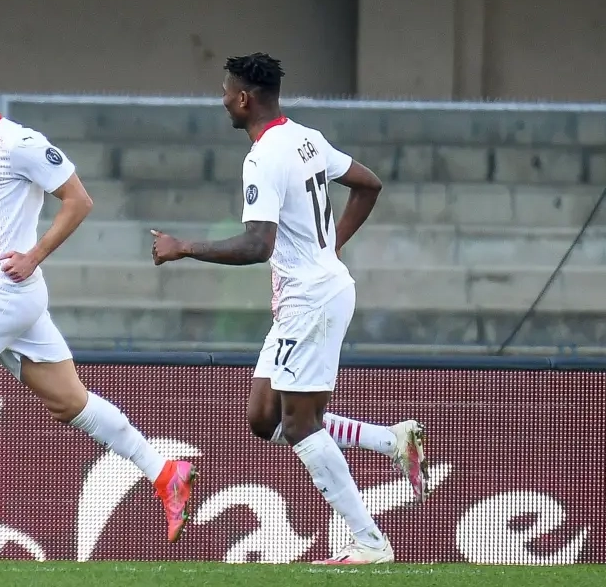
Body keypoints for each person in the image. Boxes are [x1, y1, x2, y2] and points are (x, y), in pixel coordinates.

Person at [0, 44, 197, 557]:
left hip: (5, 288)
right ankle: (165, 472)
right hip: (4, 296)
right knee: (70, 402)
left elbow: (79, 200)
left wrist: (34, 254)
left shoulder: (20, 144)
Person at [150, 52, 429, 565]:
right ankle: (390, 440)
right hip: (307, 296)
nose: (222, 101)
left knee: (301, 425)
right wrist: (330, 247)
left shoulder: (263, 157)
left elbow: (257, 244)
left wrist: (183, 247)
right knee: (264, 417)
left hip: (310, 301)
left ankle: (369, 542)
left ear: (243, 98)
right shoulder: (306, 138)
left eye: (225, 92)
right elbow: (368, 184)